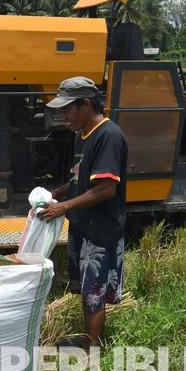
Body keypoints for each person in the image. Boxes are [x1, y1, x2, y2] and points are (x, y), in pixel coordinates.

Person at [38, 76, 128, 349]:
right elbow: (81, 178)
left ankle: (93, 351)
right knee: (85, 289)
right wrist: (58, 192)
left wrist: (62, 207)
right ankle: (89, 338)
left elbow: (105, 189)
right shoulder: (83, 135)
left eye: (68, 109)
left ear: (86, 105)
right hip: (82, 224)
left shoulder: (109, 136)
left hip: (100, 230)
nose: (65, 116)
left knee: (93, 293)